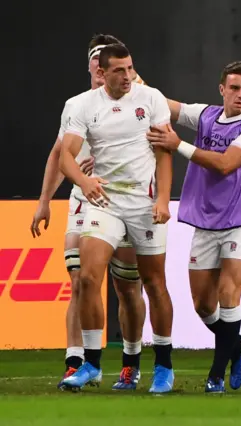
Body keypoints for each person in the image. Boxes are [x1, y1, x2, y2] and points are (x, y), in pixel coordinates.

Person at [31, 34, 148, 391]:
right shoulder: (77, 105)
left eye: (110, 65)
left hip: (128, 203)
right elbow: (58, 153)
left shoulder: (141, 98)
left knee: (128, 287)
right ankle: (76, 361)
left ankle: (132, 361)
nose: (102, 70)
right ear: (91, 67)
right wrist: (44, 200)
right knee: (80, 281)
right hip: (84, 201)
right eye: (97, 64)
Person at [147, 61, 241, 394]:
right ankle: (238, 347)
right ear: (222, 89)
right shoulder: (206, 115)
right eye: (235, 88)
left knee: (229, 294)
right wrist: (136, 86)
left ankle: (216, 374)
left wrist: (178, 146)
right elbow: (166, 105)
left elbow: (225, 164)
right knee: (203, 305)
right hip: (206, 223)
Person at [58, 44, 175, 394]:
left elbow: (163, 152)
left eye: (130, 68)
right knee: (89, 277)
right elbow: (65, 155)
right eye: (119, 71)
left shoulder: (151, 98)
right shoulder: (81, 105)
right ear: (102, 73)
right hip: (104, 200)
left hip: (143, 202)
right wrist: (84, 181)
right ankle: (91, 364)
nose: (127, 76)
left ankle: (163, 366)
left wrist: (164, 199)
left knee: (153, 284)